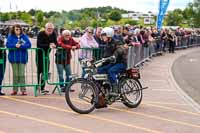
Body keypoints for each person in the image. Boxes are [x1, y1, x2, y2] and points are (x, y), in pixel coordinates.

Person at [98, 27, 127, 96]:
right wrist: (98, 61)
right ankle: (103, 88)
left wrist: (114, 56)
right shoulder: (107, 44)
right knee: (99, 70)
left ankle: (115, 90)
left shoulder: (117, 42)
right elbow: (105, 56)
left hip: (121, 63)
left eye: (103, 35)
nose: (102, 37)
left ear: (109, 35)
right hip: (113, 63)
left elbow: (120, 50)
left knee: (111, 71)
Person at [6, 24, 31, 95]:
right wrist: (14, 45)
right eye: (16, 29)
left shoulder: (24, 36)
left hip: (22, 58)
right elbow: (8, 45)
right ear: (14, 29)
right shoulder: (10, 37)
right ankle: (15, 90)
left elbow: (29, 45)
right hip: (13, 58)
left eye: (19, 29)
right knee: (15, 74)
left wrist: (21, 46)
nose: (18, 30)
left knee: (21, 74)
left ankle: (23, 90)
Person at [36, 22, 57, 94]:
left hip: (47, 55)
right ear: (45, 28)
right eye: (48, 28)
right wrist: (49, 45)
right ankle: (37, 85)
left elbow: (56, 43)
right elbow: (39, 44)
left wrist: (54, 45)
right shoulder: (41, 34)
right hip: (40, 54)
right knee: (39, 70)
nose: (50, 30)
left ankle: (42, 87)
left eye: (51, 29)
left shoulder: (53, 34)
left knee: (45, 71)